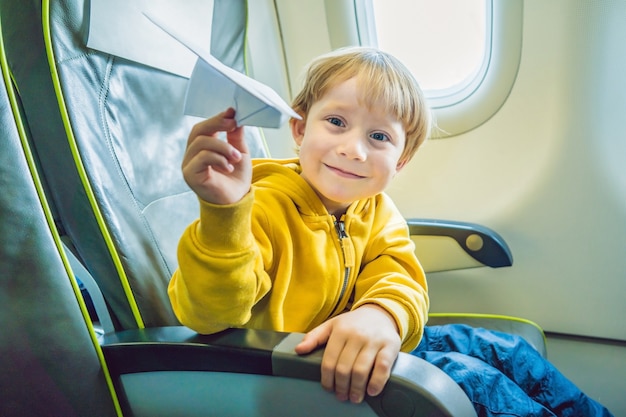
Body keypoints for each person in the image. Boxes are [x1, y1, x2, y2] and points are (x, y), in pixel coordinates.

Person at [169, 46, 613, 417]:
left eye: (379, 137)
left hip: (373, 341)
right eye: (336, 123)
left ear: (400, 161)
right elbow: (212, 312)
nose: (354, 149)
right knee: (478, 382)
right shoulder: (262, 207)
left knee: (509, 351)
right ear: (301, 130)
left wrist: (381, 314)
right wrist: (223, 213)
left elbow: (400, 276)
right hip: (307, 365)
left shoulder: (376, 209)